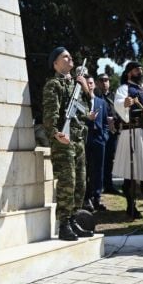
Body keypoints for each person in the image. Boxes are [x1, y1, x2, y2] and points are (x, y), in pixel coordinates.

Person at [42, 47, 96, 241]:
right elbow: (50, 115)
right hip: (63, 141)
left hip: (78, 140)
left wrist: (87, 90)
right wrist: (56, 134)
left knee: (80, 183)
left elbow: (85, 111)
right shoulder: (53, 85)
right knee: (67, 183)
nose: (70, 58)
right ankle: (64, 224)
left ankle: (73, 219)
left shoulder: (76, 85)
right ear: (55, 63)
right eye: (65, 56)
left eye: (70, 55)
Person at [112, 62, 143, 219]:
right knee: (131, 173)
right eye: (137, 70)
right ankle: (131, 206)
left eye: (141, 69)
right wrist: (125, 103)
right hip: (131, 132)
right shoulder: (123, 89)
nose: (140, 72)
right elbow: (118, 105)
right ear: (129, 73)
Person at [84, 75, 109, 211]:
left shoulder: (101, 102)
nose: (89, 85)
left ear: (94, 84)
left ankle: (97, 198)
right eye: (87, 83)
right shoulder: (81, 102)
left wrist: (105, 136)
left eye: (91, 83)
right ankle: (87, 198)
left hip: (99, 139)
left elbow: (105, 122)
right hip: (86, 138)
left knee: (99, 170)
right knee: (87, 169)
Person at [96, 73, 120, 195]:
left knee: (110, 159)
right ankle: (98, 186)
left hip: (112, 132)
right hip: (100, 132)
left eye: (106, 80)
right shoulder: (95, 96)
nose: (104, 82)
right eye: (102, 80)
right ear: (97, 82)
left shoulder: (115, 97)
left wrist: (114, 120)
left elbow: (119, 112)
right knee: (100, 160)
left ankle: (109, 185)